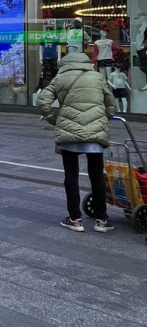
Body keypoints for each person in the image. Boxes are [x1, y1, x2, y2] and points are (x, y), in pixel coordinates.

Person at [36, 50, 116, 233]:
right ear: (87, 62)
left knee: (70, 175)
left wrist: (53, 119)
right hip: (95, 133)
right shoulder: (97, 77)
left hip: (69, 133)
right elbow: (111, 102)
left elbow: (42, 102)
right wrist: (104, 118)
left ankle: (75, 219)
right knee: (97, 175)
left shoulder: (60, 79)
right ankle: (102, 220)